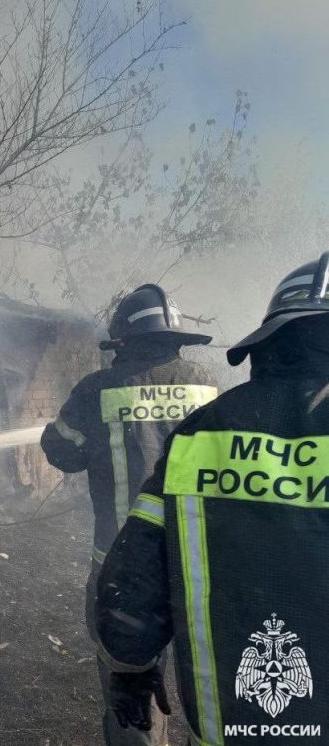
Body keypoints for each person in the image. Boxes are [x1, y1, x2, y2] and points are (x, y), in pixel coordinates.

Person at [96, 253, 329, 746]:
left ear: (272, 342)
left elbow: (132, 583)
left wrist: (130, 668)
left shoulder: (205, 432)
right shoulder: (202, 388)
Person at [40, 283, 217, 746]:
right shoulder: (208, 387)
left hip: (123, 569)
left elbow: (61, 450)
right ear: (177, 340)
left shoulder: (97, 389)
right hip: (199, 565)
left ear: (122, 342)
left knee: (131, 694)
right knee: (213, 684)